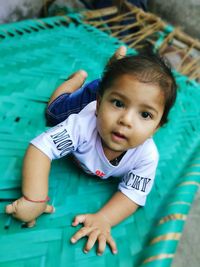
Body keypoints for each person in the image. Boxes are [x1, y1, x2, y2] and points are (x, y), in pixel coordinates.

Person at [5, 47, 177, 256]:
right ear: (99, 104)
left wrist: (104, 219)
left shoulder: (147, 156)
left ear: (157, 127)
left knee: (115, 83)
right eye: (119, 104)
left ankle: (115, 69)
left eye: (145, 114)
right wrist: (35, 199)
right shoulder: (82, 126)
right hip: (86, 102)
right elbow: (40, 149)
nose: (126, 120)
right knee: (53, 111)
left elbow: (132, 194)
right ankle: (78, 79)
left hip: (107, 92)